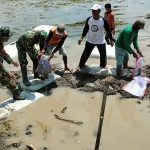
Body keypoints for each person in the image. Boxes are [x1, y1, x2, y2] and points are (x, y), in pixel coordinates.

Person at [76, 4, 114, 71]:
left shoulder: (103, 20)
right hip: (90, 40)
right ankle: (80, 65)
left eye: (95, 10)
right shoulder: (89, 19)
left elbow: (108, 31)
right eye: (92, 10)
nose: (93, 12)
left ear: (99, 11)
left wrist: (111, 40)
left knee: (103, 55)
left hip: (100, 40)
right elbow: (86, 29)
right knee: (85, 53)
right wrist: (81, 37)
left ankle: (103, 65)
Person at [0, 26, 25, 100]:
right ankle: (16, 94)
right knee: (7, 79)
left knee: (6, 79)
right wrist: (7, 72)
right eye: (7, 37)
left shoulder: (1, 42)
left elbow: (3, 53)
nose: (8, 38)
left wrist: (12, 61)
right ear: (2, 36)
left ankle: (15, 94)